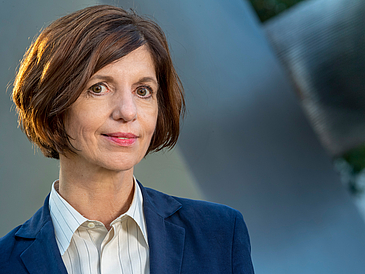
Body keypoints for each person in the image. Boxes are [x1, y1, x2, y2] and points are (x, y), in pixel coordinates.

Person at [0, 5, 254, 274]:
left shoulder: (220, 234)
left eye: (143, 91)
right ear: (54, 103)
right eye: (98, 88)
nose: (128, 111)